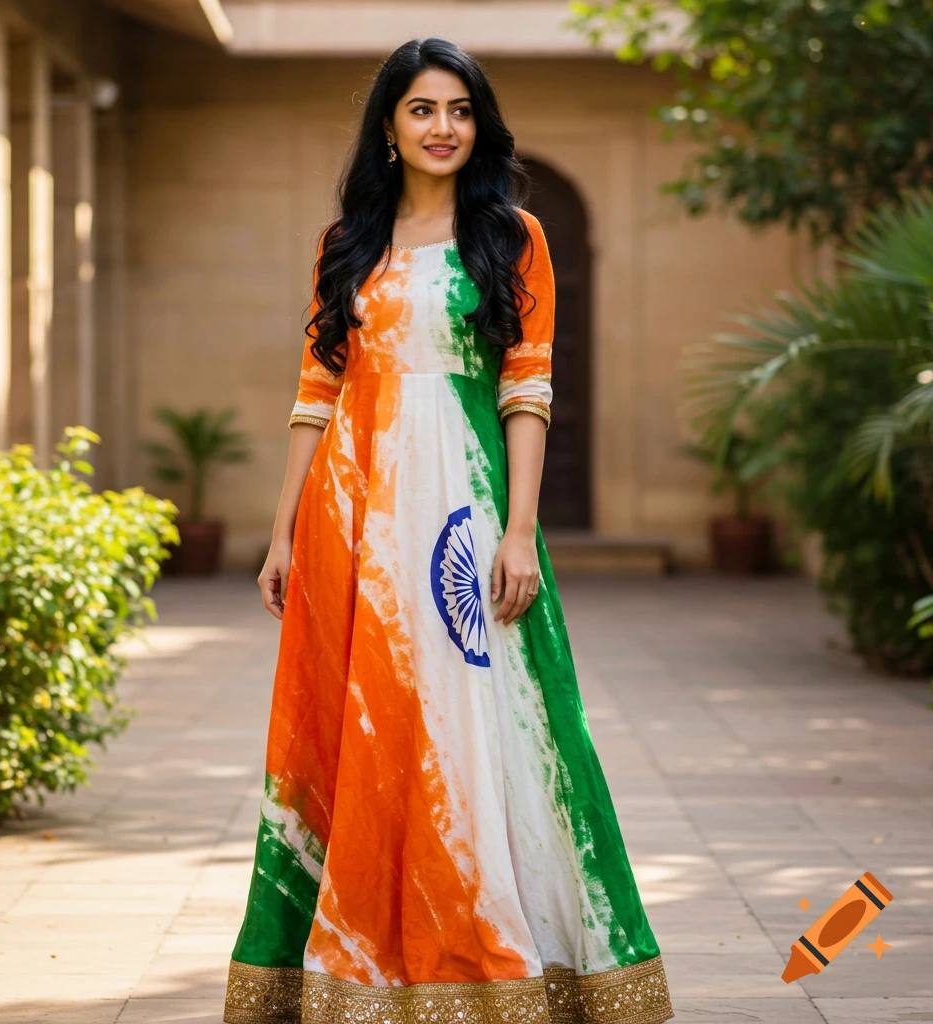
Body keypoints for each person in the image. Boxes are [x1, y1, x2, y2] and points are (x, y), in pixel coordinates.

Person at [223, 36, 674, 1024]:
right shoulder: (346, 243)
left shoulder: (512, 238)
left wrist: (519, 531)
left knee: (483, 719)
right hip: (355, 517)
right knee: (369, 725)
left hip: (462, 525)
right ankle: (365, 963)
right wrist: (282, 533)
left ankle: (495, 950)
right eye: (422, 109)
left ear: (480, 125)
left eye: (460, 110)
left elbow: (527, 389)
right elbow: (315, 390)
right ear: (388, 124)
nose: (442, 128)